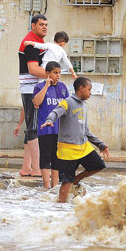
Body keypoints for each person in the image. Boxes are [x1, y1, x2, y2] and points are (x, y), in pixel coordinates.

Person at [41, 77, 110, 203]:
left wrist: (100, 144)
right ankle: (60, 206)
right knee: (66, 181)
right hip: (68, 151)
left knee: (99, 165)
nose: (90, 93)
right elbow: (55, 113)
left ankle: (76, 179)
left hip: (83, 148)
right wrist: (49, 121)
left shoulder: (84, 105)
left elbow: (86, 130)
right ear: (81, 88)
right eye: (89, 90)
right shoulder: (67, 102)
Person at [15, 14, 48, 178]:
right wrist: (52, 76)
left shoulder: (38, 42)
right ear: (33, 25)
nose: (44, 27)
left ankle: (26, 168)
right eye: (41, 24)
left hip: (33, 88)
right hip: (31, 89)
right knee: (34, 128)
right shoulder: (31, 43)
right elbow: (33, 69)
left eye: (46, 25)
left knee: (31, 127)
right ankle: (37, 169)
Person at [33, 61, 70, 189]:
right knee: (45, 158)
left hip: (59, 130)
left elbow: (67, 106)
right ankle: (46, 186)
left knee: (57, 158)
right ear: (47, 74)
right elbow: (36, 102)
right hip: (45, 130)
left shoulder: (63, 87)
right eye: (55, 73)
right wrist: (46, 86)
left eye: (59, 73)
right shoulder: (39, 87)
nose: (58, 75)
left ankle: (54, 187)